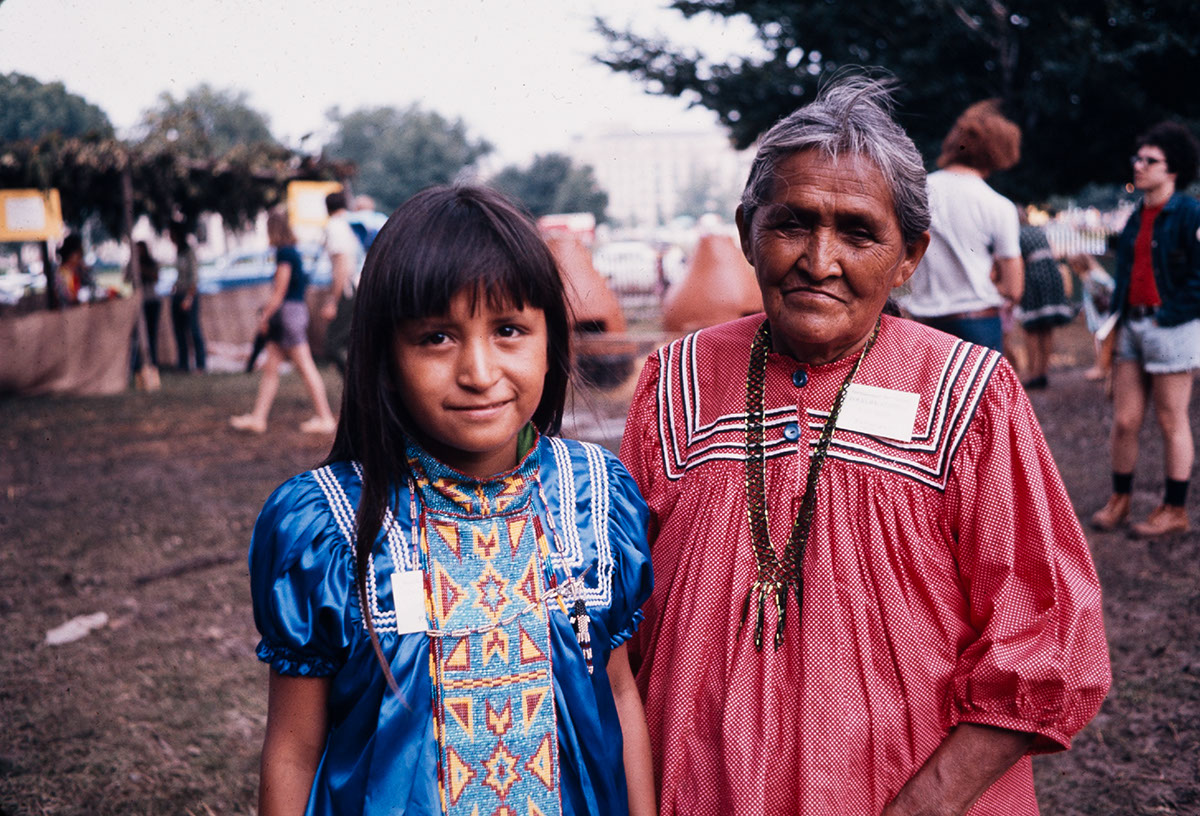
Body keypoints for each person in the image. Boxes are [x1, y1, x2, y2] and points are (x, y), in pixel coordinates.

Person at [619, 77, 1110, 816]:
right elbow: (618, 613)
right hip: (702, 785)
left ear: (909, 255)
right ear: (748, 227)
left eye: (857, 231)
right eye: (792, 223)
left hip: (908, 790)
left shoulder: (970, 392)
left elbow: (1044, 629)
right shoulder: (676, 380)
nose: (820, 259)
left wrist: (923, 806)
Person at [248, 185, 655, 815]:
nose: (479, 371)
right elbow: (294, 750)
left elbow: (620, 695)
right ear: (385, 353)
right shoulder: (327, 525)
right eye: (437, 338)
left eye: (510, 330)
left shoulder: (597, 498)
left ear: (552, 338)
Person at [1090, 121, 1200, 537]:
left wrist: (1168, 314)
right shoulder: (1137, 216)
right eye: (1138, 158)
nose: (1139, 165)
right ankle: (1120, 500)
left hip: (1170, 326)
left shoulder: (1189, 213)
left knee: (1172, 420)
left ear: (1173, 169)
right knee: (1124, 421)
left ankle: (1174, 509)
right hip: (1132, 327)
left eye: (1150, 160)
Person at [902, 99, 1024, 351]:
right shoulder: (998, 205)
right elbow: (1014, 288)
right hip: (978, 324)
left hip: (922, 323)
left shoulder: (917, 192)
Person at [230, 211, 337, 435]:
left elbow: (279, 292)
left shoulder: (285, 253)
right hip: (291, 313)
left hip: (288, 315)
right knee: (271, 368)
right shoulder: (292, 252)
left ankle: (325, 417)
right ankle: (258, 418)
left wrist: (265, 317)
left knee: (306, 367)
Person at [1015, 211, 1076, 389]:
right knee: (1046, 327)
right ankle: (1043, 372)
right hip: (1051, 274)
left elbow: (1018, 261)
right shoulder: (1038, 231)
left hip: (1034, 277)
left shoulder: (1016, 234)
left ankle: (1033, 373)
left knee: (1031, 327)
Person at [320, 191, 362, 374]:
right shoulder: (356, 222)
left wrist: (333, 301)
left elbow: (342, 266)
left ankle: (359, 389)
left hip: (350, 289)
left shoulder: (335, 226)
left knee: (333, 344)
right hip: (367, 285)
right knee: (355, 341)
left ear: (327, 208)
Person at [1069, 253, 1116, 382]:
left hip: (1100, 316)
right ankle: (1101, 367)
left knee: (1100, 341)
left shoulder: (1094, 276)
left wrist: (1102, 300)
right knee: (1098, 341)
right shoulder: (1088, 277)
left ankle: (1102, 368)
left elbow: (1111, 286)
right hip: (1095, 316)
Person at [169, 223, 206, 372]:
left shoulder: (189, 253)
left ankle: (200, 364)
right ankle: (183, 364)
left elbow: (194, 278)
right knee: (179, 331)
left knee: (193, 329)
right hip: (177, 293)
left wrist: (189, 297)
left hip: (189, 295)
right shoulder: (178, 252)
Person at [127, 240, 161, 369]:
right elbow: (126, 278)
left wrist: (142, 269)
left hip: (151, 300)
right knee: (137, 335)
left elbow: (156, 277)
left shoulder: (151, 262)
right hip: (138, 302)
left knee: (152, 333)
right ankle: (137, 364)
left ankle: (153, 362)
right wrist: (132, 264)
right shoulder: (132, 263)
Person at [55, 233, 88, 305]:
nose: (80, 258)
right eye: (79, 254)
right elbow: (69, 297)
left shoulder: (76, 271)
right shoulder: (62, 273)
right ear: (71, 254)